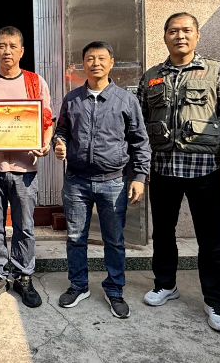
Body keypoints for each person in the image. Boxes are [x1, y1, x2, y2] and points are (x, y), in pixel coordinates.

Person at [137, 12, 220, 333]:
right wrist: (140, 166)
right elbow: (139, 124)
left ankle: (215, 300)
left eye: (186, 30)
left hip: (204, 170)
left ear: (197, 35)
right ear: (164, 36)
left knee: (211, 239)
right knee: (163, 233)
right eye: (173, 31)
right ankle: (165, 284)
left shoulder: (216, 72)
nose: (180, 36)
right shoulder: (151, 77)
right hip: (163, 170)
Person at [53, 41, 150, 319]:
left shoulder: (126, 100)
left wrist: (139, 177)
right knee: (75, 237)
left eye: (101, 58)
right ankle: (78, 285)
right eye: (90, 59)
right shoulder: (72, 99)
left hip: (113, 182)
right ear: (82, 64)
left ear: (111, 62)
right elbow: (61, 131)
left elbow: (140, 141)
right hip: (77, 180)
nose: (95, 63)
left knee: (114, 240)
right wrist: (59, 144)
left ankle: (114, 289)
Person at [0, 26, 53, 308]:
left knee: (24, 226)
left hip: (24, 169)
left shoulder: (34, 82)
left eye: (13, 46)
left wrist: (45, 143)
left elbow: (47, 120)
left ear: (22, 51)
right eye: (2, 46)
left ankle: (23, 276)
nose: (7, 51)